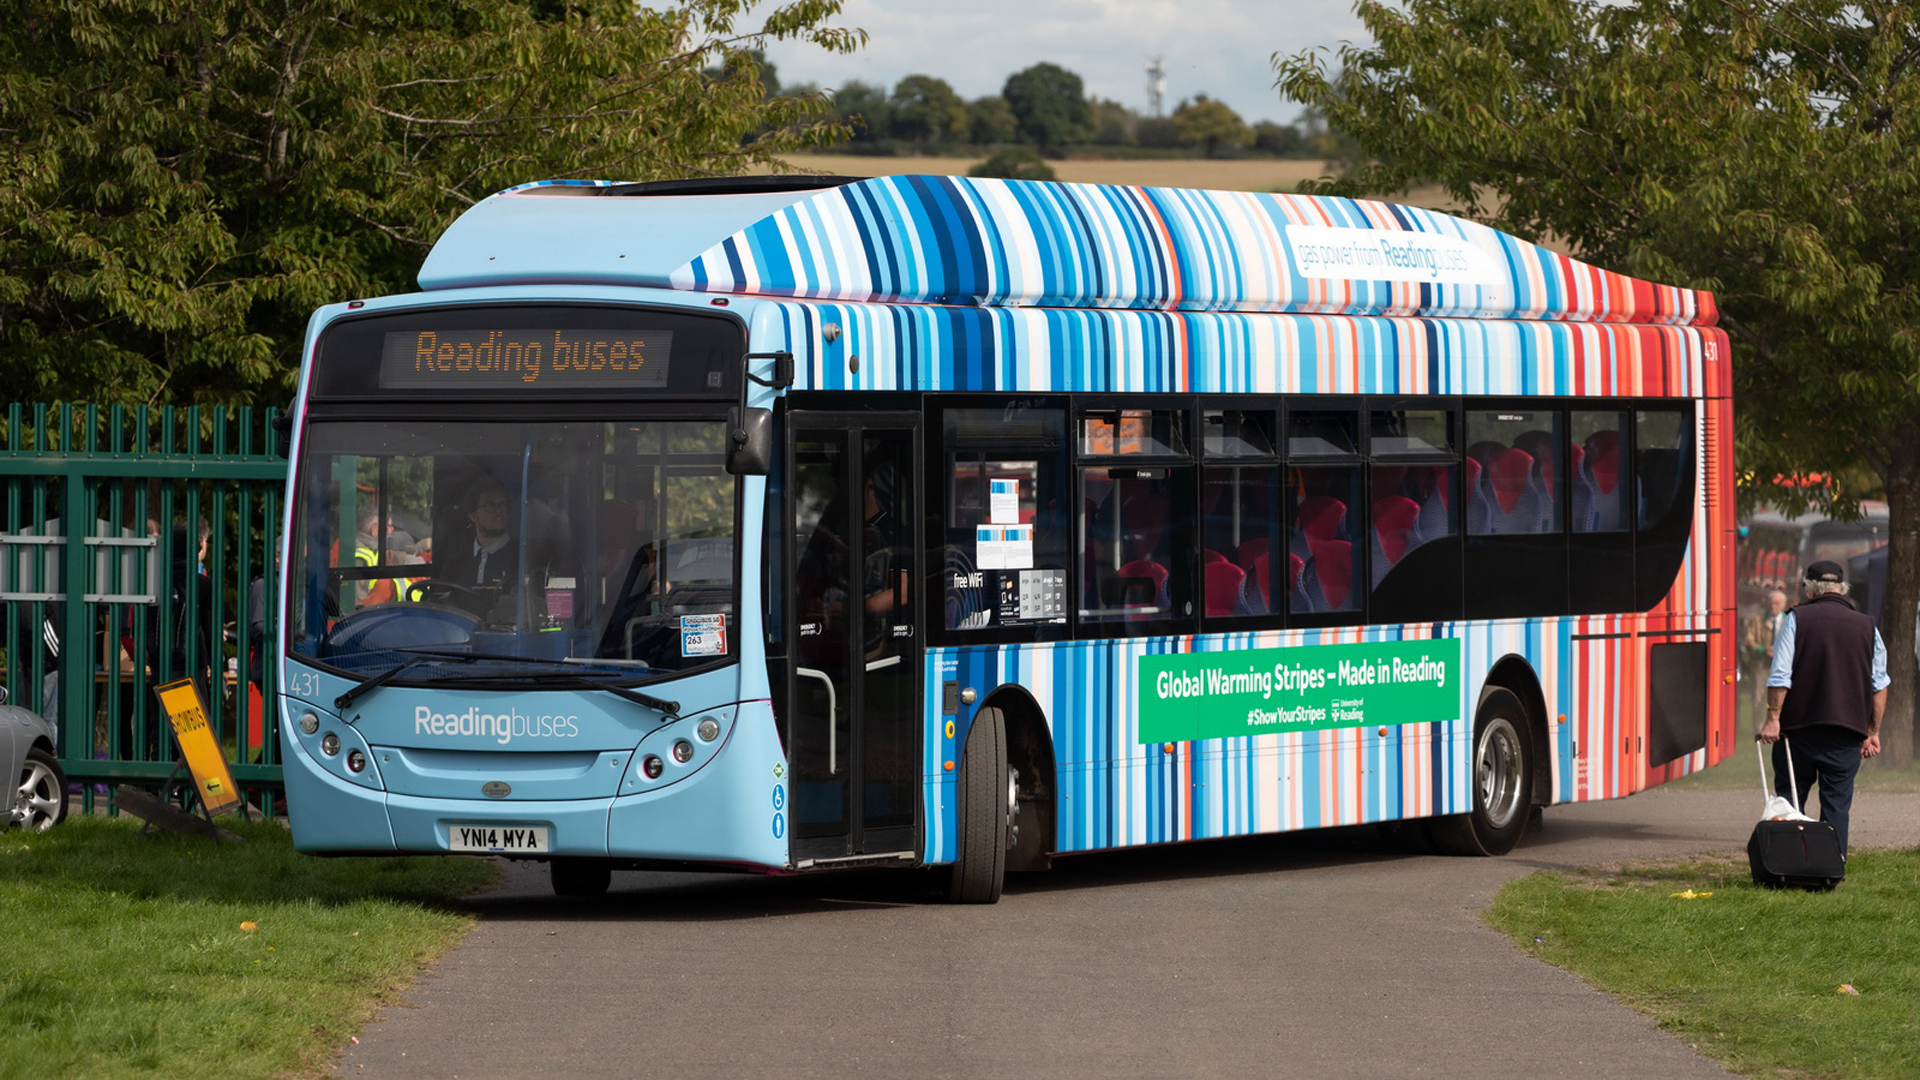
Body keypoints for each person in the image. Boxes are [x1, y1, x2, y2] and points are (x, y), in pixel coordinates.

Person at [1761, 560, 1889, 858]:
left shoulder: (1796, 619)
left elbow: (1780, 676)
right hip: (1846, 733)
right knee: (1836, 806)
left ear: (1808, 589)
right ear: (1841, 589)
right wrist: (1873, 732)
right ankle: (1831, 868)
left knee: (1791, 799)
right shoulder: (1867, 625)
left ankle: (1789, 863)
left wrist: (1772, 719)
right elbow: (1879, 685)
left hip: (1798, 731)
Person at [435, 479, 520, 590]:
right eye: (490, 505)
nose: (498, 510)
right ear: (473, 516)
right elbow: (441, 601)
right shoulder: (456, 564)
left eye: (503, 505)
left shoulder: (521, 556)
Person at [1742, 588, 1788, 716]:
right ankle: (1759, 731)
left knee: (1781, 699)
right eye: (1771, 603)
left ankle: (1779, 730)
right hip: (1761, 666)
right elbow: (1749, 639)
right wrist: (1762, 649)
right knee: (1758, 699)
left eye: (1777, 604)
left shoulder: (1789, 621)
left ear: (1783, 605)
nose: (1773, 606)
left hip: (1782, 668)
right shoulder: (1758, 620)